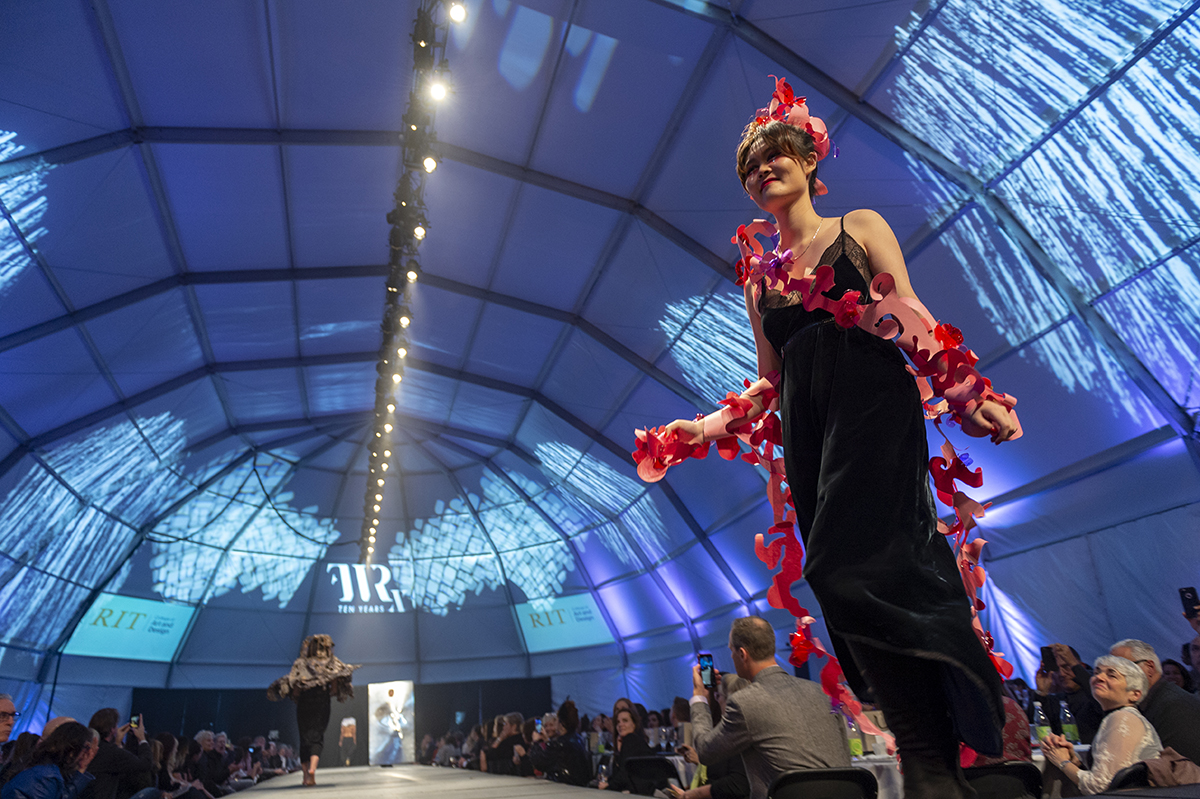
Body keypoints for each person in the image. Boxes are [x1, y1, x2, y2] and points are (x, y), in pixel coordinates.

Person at [661, 77, 1018, 799]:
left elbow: (909, 314)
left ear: (808, 159)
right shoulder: (759, 282)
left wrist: (969, 394)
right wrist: (698, 428)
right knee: (848, 571)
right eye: (752, 165)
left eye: (777, 154)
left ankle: (940, 720)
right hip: (811, 433)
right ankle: (927, 750)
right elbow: (767, 380)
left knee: (848, 560)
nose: (766, 168)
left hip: (874, 410)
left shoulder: (859, 227)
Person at [689, 617, 849, 799]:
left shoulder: (745, 702)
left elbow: (705, 751)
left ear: (742, 654)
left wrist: (699, 696)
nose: (731, 657)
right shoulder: (823, 693)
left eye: (731, 651)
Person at [1042, 655, 1162, 794]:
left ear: (1134, 694)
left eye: (1112, 675)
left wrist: (1062, 761)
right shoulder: (1122, 716)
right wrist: (1075, 761)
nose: (1099, 677)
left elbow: (1100, 787)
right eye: (1097, 672)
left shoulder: (1123, 718)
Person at [267, 634, 360, 787]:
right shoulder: (331, 664)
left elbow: (296, 691)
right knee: (317, 738)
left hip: (304, 703)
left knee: (304, 738)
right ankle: (312, 770)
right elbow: (335, 690)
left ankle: (305, 777)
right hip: (322, 702)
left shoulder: (301, 663)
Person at [1110, 639, 1200, 764]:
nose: (1113, 678)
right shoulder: (1151, 701)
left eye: (1123, 668)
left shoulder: (1173, 705)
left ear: (1150, 668)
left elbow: (1180, 769)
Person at [670, 674, 750, 799]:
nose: (716, 700)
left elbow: (737, 783)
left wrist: (695, 794)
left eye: (718, 696)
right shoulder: (735, 730)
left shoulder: (736, 732)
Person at [1030, 643, 1104, 744]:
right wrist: (1041, 693)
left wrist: (1075, 666)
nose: (1062, 674)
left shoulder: (1096, 694)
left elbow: (1099, 702)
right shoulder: (1056, 700)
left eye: (1067, 667)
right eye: (1056, 669)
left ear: (1080, 666)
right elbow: (1034, 724)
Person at [2, 722, 97, 799]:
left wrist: (81, 769)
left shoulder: (43, 768)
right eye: (86, 748)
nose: (85, 754)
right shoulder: (46, 777)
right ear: (73, 749)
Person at [83, 710, 153, 799]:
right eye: (116, 725)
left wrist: (117, 743)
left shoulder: (88, 748)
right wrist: (142, 738)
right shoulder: (111, 752)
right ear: (112, 729)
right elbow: (145, 764)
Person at [597, 709, 655, 794]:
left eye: (625, 721)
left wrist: (608, 785)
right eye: (618, 722)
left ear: (634, 724)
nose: (620, 724)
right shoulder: (637, 741)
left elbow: (624, 774)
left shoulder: (630, 739)